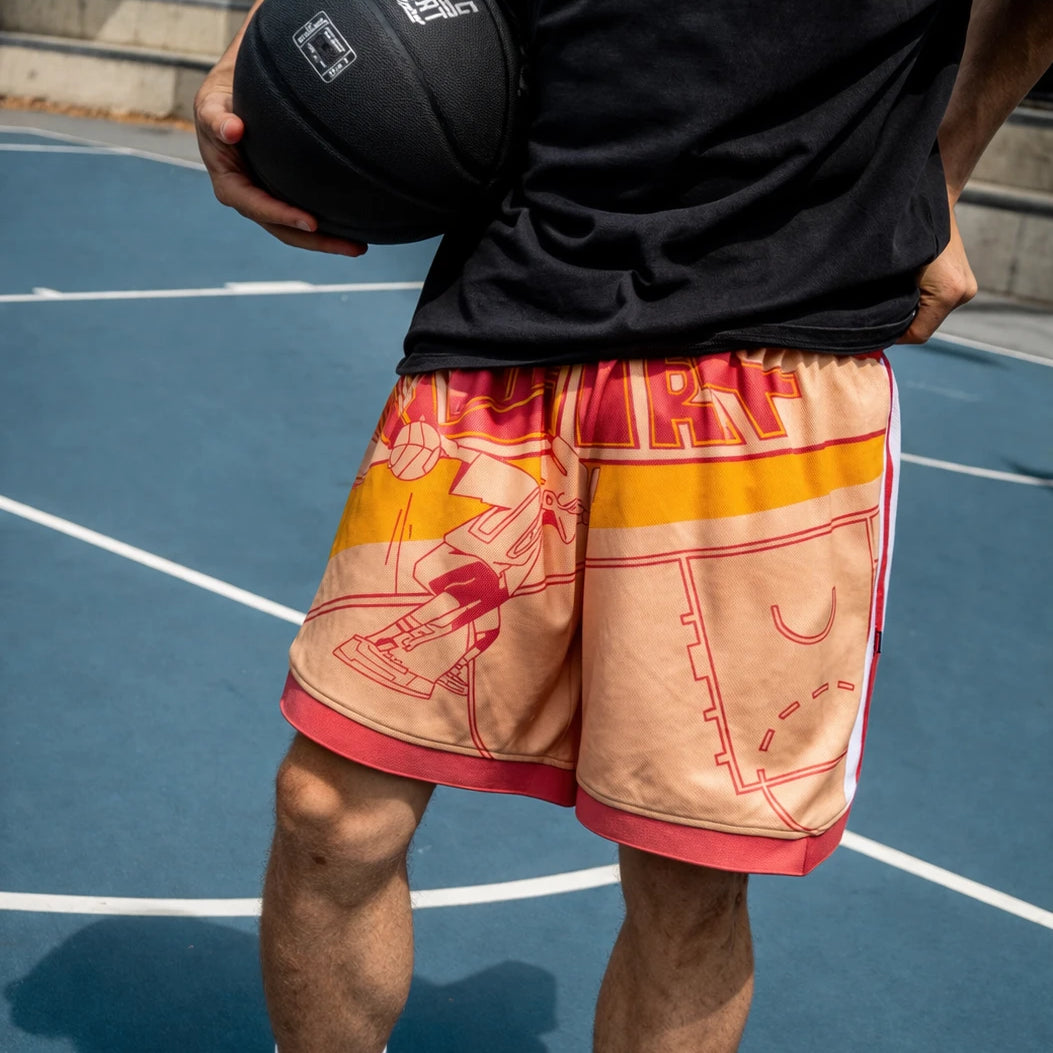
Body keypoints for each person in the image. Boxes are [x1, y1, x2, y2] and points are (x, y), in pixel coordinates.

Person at [195, 2, 1053, 1049]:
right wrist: (263, 36)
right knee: (328, 810)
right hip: (504, 323)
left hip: (769, 367)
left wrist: (947, 165)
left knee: (688, 881)